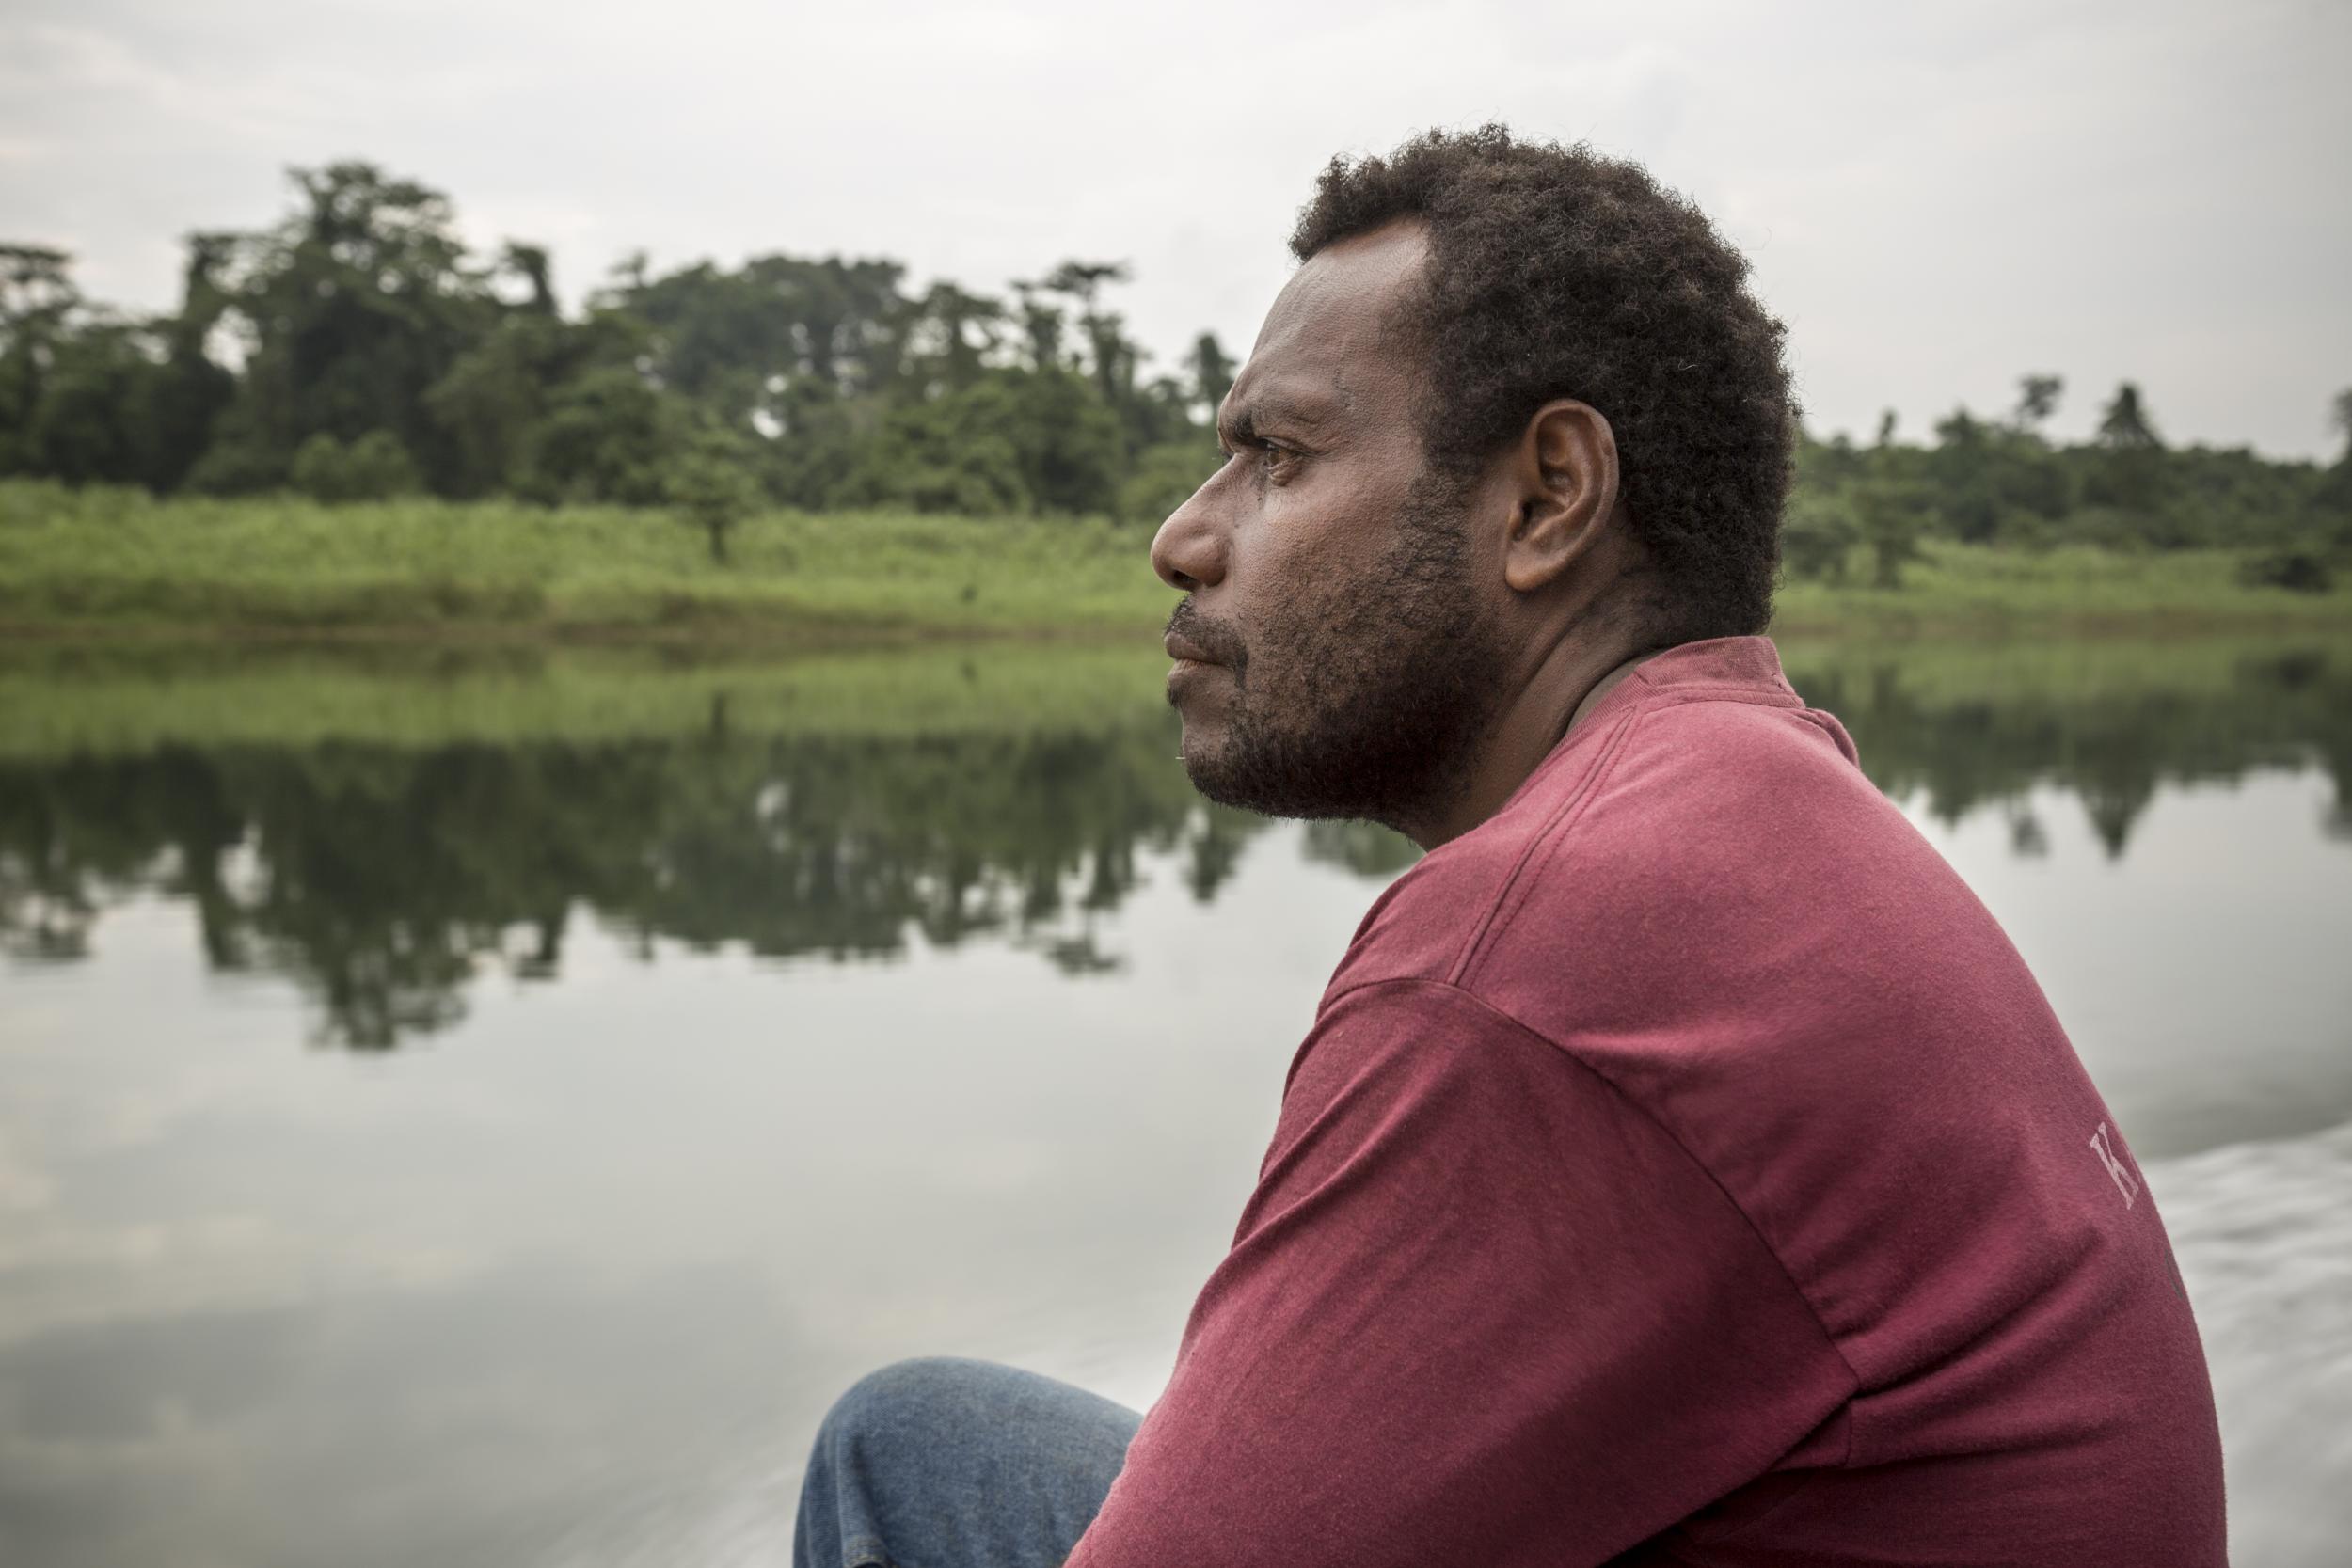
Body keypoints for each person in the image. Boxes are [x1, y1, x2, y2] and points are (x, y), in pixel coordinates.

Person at [793, 125, 2226, 1568]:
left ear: (1547, 497)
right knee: (914, 1446)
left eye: (1275, 458)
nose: (1184, 536)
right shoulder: (1763, 784)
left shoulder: (1545, 951)